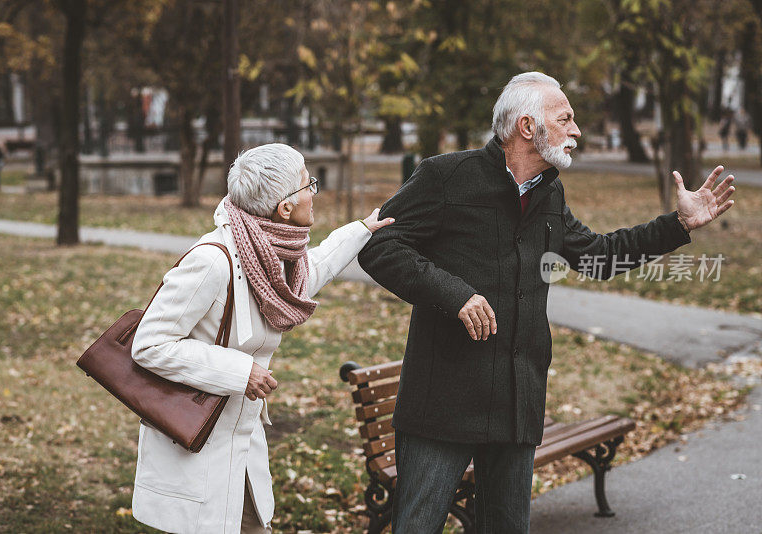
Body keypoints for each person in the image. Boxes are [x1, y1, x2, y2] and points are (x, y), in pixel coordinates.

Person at [358, 71, 736, 534]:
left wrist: (678, 224)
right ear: (527, 127)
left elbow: (600, 257)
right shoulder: (445, 177)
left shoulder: (549, 193)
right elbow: (379, 246)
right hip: (443, 403)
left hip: (517, 402)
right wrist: (454, 295)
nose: (577, 131)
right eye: (566, 119)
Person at [129, 143, 394, 534]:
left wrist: (360, 231)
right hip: (195, 439)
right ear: (284, 207)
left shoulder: (269, 254)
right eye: (309, 185)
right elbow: (149, 344)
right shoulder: (213, 260)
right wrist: (241, 372)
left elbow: (307, 276)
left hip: (240, 442)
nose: (313, 193)